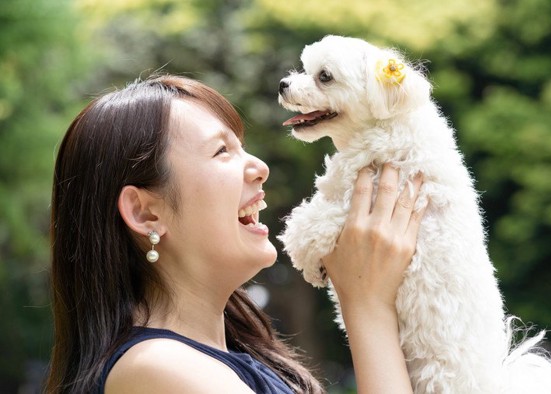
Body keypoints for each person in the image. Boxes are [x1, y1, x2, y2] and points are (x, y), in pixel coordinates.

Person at [46, 75, 425, 393]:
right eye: (222, 151)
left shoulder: (238, 357)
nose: (259, 167)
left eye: (242, 147)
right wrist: (367, 306)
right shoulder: (158, 369)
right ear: (145, 212)